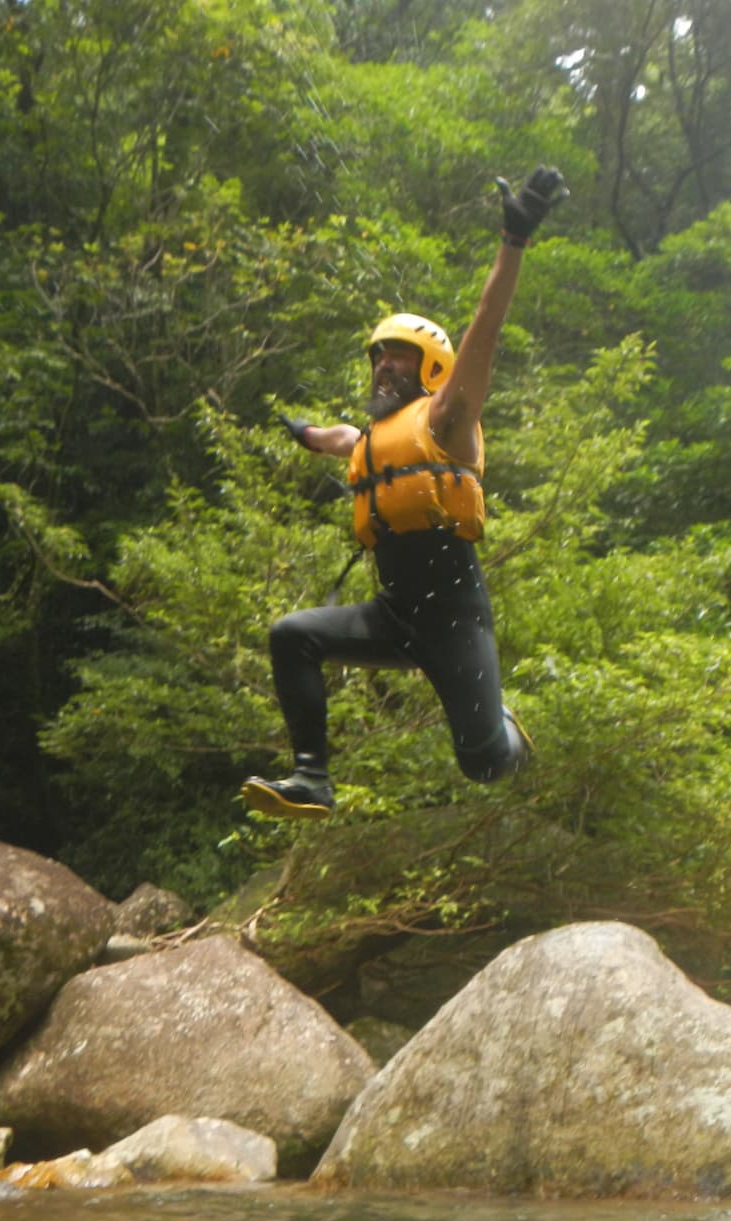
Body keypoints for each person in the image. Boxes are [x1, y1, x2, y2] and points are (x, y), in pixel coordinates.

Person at [240, 165, 568, 821]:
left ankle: (508, 734)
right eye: (377, 355)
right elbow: (341, 439)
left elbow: (487, 322)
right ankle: (311, 778)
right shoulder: (371, 436)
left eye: (398, 355)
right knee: (291, 635)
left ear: (433, 370)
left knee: (482, 763)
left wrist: (513, 241)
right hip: (395, 616)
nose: (383, 364)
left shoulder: (450, 417)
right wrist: (306, 434)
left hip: (453, 619)